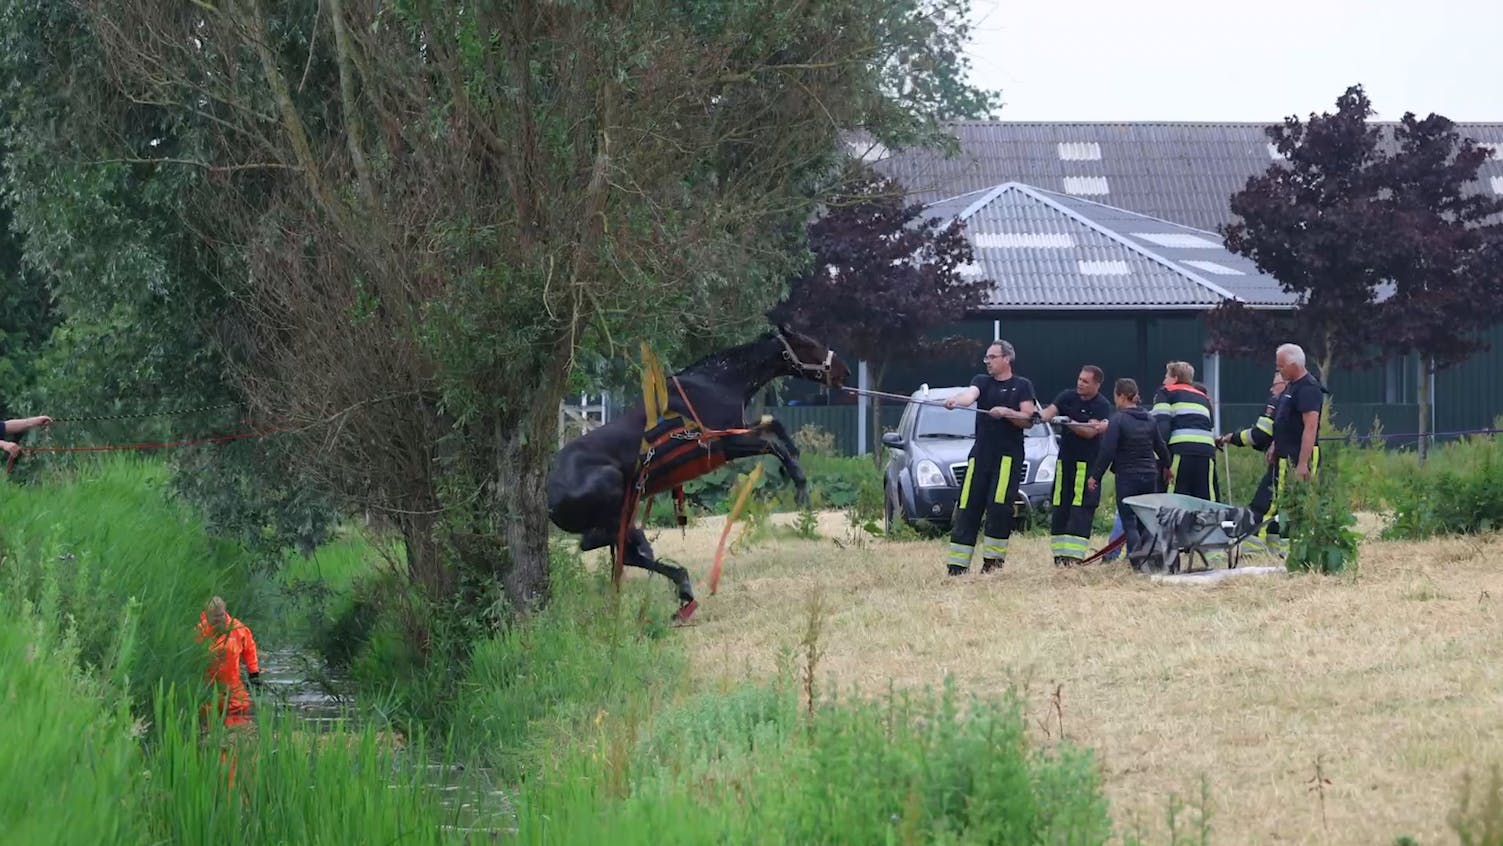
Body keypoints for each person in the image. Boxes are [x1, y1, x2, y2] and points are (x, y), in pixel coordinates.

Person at [941, 340, 1038, 576]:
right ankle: (957, 567)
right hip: (980, 455)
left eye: (992, 357)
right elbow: (970, 395)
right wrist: (957, 401)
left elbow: (1028, 418)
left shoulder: (1022, 386)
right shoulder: (981, 382)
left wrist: (1006, 413)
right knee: (968, 505)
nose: (988, 362)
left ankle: (992, 566)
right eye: (986, 358)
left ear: (1007, 359)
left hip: (1007, 457)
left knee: (999, 508)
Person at [1087, 378, 1171, 569]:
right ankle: (1151, 561)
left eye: (1116, 396)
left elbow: (1107, 451)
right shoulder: (1150, 418)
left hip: (1127, 476)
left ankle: (1136, 563)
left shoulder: (1118, 419)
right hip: (1150, 475)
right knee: (1146, 521)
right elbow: (1160, 446)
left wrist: (1096, 476)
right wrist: (1168, 465)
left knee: (1129, 520)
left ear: (1122, 396)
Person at [1038, 365, 1112, 566]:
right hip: (1065, 464)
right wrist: (1039, 416)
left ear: (1097, 384)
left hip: (1086, 466)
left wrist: (1068, 421)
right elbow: (1050, 411)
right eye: (1079, 379)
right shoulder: (1067, 397)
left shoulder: (1102, 405)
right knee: (1060, 508)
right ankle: (1059, 558)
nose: (1080, 383)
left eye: (1085, 381)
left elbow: (1090, 432)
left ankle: (1074, 559)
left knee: (1080, 511)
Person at [1217, 370, 1287, 550]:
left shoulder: (1278, 401)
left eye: (1274, 384)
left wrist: (1232, 438)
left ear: (1283, 385)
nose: (1271, 390)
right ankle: (1276, 546)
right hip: (1300, 459)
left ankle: (1253, 545)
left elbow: (1260, 434)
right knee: (1284, 506)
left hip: (1285, 460)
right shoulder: (1298, 401)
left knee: (1263, 503)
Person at [1270, 343, 1325, 536]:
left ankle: (1297, 537)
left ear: (1295, 364)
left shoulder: (1308, 388)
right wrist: (1274, 445)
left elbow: (1310, 427)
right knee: (1281, 496)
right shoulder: (1291, 387)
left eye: (1281, 365)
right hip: (1284, 452)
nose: (1278, 370)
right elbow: (1284, 420)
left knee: (1296, 499)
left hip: (1298, 454)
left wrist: (1303, 463)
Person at [1151, 361, 1216, 500]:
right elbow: (1210, 423)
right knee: (1205, 499)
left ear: (1175, 378)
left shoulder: (1166, 392)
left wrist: (1162, 460)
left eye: (1166, 377)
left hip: (1181, 452)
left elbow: (1162, 427)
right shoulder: (1203, 396)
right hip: (1207, 453)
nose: (1164, 381)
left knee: (1174, 498)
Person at [198, 596, 262, 728]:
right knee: (208, 725)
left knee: (238, 724)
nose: (218, 620)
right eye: (214, 617)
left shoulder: (238, 629)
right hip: (208, 687)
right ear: (207, 615)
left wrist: (254, 673)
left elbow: (250, 649)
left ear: (225, 612)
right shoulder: (199, 632)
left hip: (232, 686)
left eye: (221, 615)